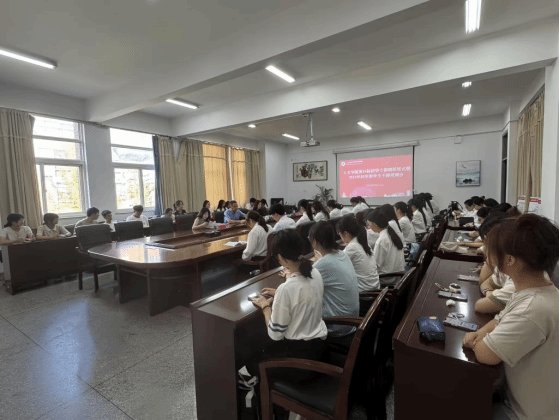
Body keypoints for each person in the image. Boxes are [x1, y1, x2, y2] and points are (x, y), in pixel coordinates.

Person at [462, 214, 559, 420]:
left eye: (493, 249)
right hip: (517, 394)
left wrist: (474, 342)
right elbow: (499, 319)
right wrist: (481, 332)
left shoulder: (533, 309)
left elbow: (486, 354)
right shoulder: (532, 291)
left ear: (509, 260)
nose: (489, 254)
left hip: (524, 413)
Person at [249, 230, 328, 380]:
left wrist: (265, 307)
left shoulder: (286, 289)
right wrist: (279, 293)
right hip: (320, 350)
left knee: (252, 360)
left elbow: (275, 334)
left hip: (300, 364)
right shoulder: (315, 272)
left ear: (280, 258)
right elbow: (300, 291)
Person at [309, 221, 359, 333]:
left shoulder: (321, 265)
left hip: (338, 325)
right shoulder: (342, 254)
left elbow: (301, 289)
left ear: (315, 242)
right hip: (352, 319)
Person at [337, 215, 380, 291]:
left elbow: (336, 265)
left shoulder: (352, 247)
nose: (340, 236)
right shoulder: (362, 242)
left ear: (346, 233)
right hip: (375, 287)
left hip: (365, 292)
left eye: (339, 233)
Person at [366, 209, 405, 274]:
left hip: (387, 276)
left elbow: (376, 264)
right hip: (398, 274)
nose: (369, 226)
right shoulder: (390, 234)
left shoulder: (382, 239)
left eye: (369, 224)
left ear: (375, 224)